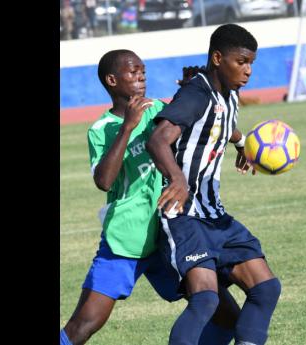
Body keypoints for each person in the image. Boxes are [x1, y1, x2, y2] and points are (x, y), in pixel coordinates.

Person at [60, 49, 241, 345]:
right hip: (127, 240)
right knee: (84, 325)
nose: (141, 75)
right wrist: (128, 126)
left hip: (172, 235)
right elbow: (104, 181)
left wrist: (190, 93)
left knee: (226, 316)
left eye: (143, 70)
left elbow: (203, 126)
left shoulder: (159, 108)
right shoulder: (101, 129)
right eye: (133, 71)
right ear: (112, 80)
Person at [146, 24, 282, 345]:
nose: (248, 71)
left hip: (215, 216)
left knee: (266, 288)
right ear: (218, 58)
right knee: (206, 299)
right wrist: (177, 177)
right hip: (183, 216)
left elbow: (223, 122)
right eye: (242, 62)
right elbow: (158, 139)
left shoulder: (230, 93)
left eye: (252, 63)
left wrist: (241, 143)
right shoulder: (196, 93)